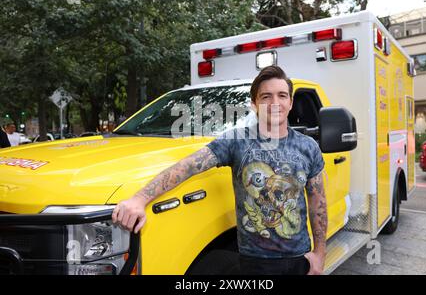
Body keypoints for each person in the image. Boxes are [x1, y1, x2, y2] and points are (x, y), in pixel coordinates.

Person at [112, 65, 327, 275]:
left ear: (290, 102)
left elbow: (318, 203)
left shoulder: (308, 147)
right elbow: (188, 166)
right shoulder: (237, 141)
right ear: (254, 104)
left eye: (282, 95)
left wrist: (319, 254)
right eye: (266, 97)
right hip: (254, 262)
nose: (275, 103)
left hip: (299, 259)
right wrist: (139, 199)